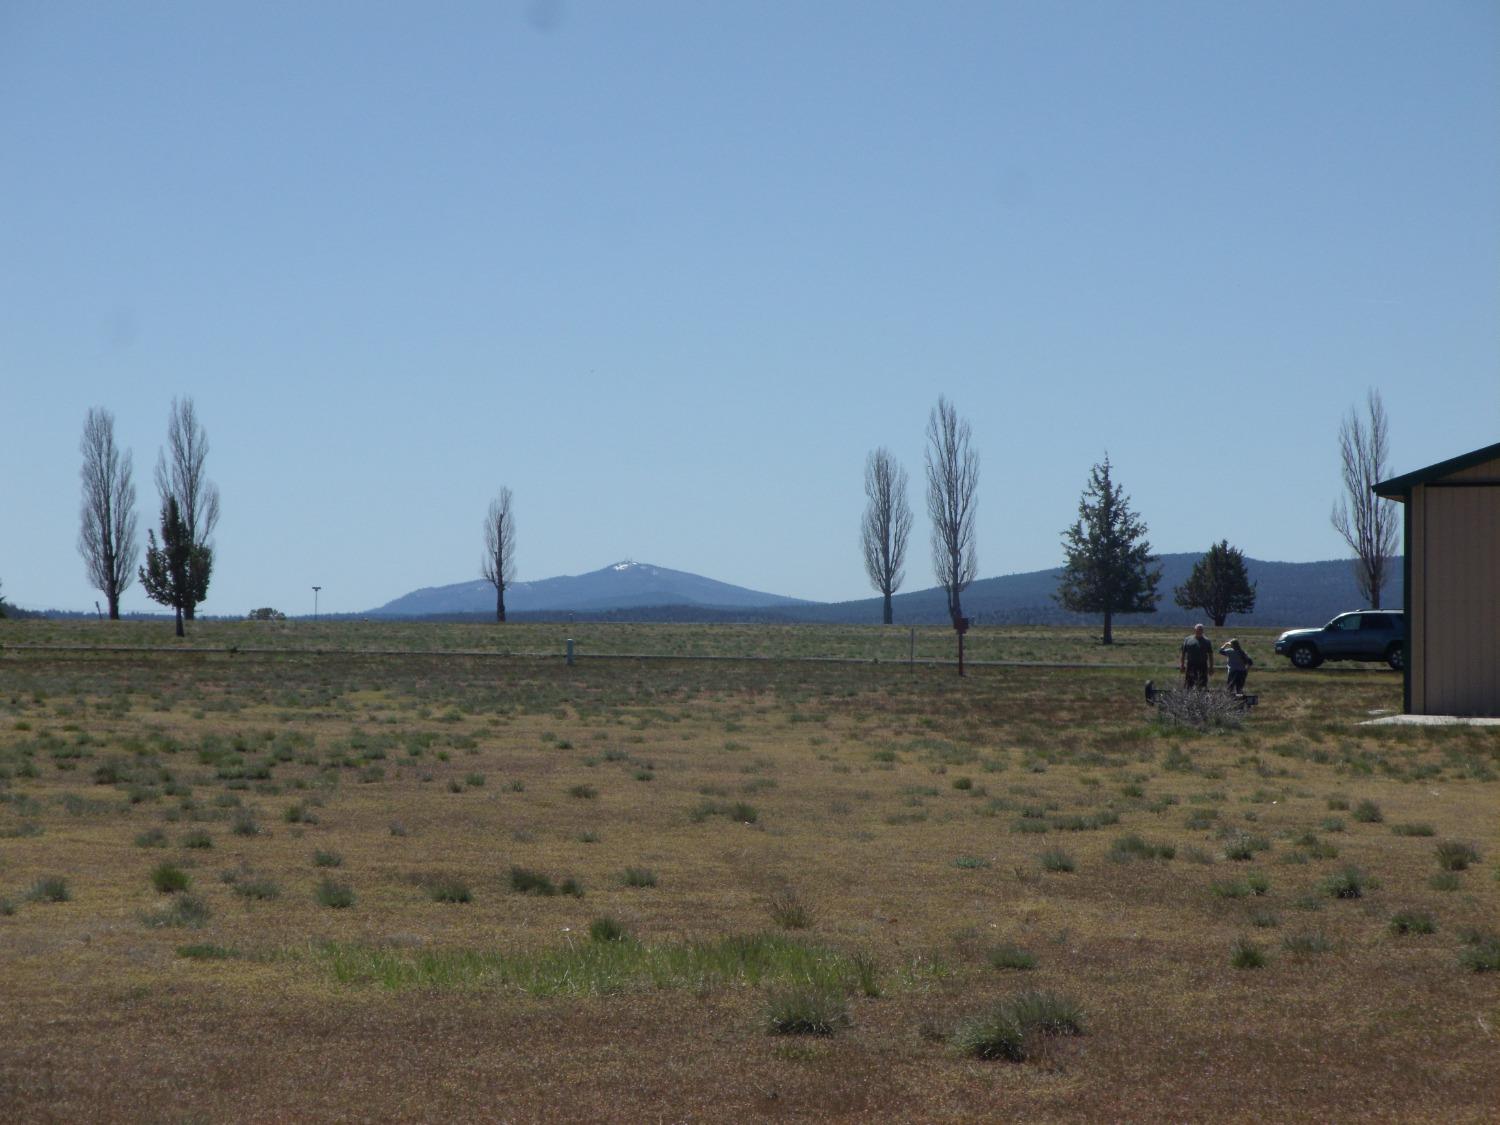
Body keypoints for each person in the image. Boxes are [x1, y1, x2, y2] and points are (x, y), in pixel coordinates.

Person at [1180, 623, 1213, 689]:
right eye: (1198, 629)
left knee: (1203, 684)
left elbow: (1210, 655)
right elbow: (1183, 653)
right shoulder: (1188, 640)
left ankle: (1202, 698)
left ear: (1203, 631)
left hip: (1202, 665)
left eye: (1201, 629)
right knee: (1188, 684)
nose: (1199, 631)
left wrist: (1211, 667)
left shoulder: (1207, 641)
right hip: (1191, 665)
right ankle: (1187, 697)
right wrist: (1182, 665)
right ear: (1195, 630)